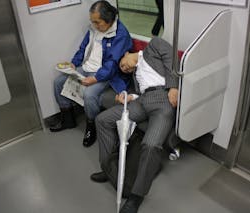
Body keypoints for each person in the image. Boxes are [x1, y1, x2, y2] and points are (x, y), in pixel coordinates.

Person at [90, 37, 179, 213]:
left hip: (162, 100)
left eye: (123, 64)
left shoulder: (153, 46)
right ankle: (109, 169)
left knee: (151, 145)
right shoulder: (136, 76)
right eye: (123, 69)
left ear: (126, 54)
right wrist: (130, 97)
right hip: (142, 102)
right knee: (102, 119)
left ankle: (136, 197)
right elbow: (142, 91)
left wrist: (173, 86)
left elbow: (171, 57)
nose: (125, 68)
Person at [50, 1, 133, 148]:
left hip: (106, 74)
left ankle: (91, 125)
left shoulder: (121, 34)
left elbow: (113, 64)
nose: (95, 25)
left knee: (89, 94)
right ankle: (68, 119)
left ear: (109, 19)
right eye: (92, 22)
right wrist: (74, 64)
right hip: (87, 67)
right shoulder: (93, 29)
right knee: (58, 82)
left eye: (97, 22)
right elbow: (82, 49)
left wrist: (95, 78)